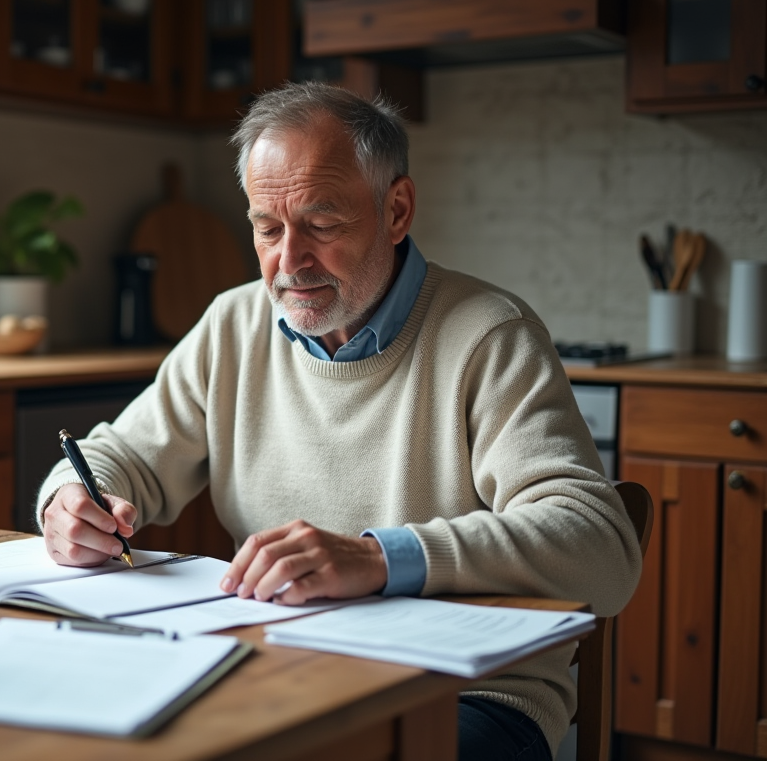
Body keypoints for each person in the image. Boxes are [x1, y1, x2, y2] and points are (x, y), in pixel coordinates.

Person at [36, 81, 641, 760]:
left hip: (464, 693)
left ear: (396, 210)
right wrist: (72, 500)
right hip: (277, 668)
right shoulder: (234, 324)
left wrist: (380, 559)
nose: (289, 262)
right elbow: (122, 456)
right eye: (267, 228)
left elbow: (602, 550)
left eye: (322, 226)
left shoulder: (489, 335)